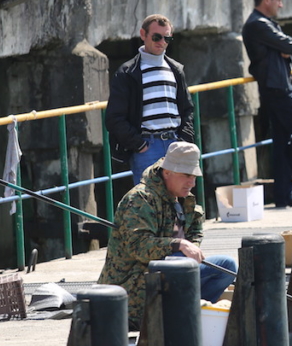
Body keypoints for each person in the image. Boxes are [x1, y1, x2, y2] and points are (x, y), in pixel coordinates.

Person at [98, 141, 237, 331]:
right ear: (167, 172)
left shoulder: (183, 197)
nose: (192, 182)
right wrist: (178, 244)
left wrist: (189, 246)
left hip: (165, 278)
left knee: (227, 267)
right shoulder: (140, 198)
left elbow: (195, 230)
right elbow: (139, 247)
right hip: (133, 287)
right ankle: (173, 314)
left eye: (194, 176)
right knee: (179, 260)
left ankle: (185, 312)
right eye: (186, 175)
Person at [241, 0, 292, 208]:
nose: (281, 5)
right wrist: (286, 48)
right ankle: (283, 184)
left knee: (281, 143)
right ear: (267, 0)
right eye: (278, 0)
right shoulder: (258, 24)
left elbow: (288, 48)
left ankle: (283, 194)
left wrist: (286, 48)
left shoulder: (265, 24)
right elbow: (289, 44)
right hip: (277, 89)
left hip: (278, 86)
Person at [105, 14, 195, 182]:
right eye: (156, 37)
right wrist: (139, 145)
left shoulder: (175, 70)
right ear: (143, 35)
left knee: (179, 200)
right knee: (149, 204)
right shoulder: (127, 73)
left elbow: (187, 109)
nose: (162, 42)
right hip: (147, 147)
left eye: (167, 38)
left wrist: (184, 139)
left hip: (176, 143)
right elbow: (114, 117)